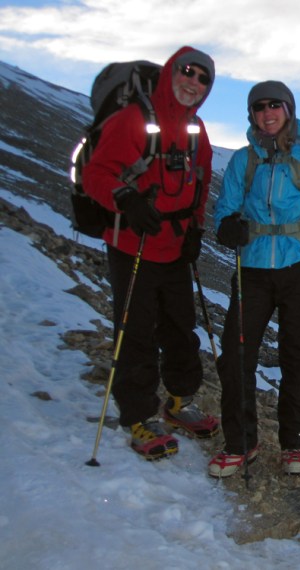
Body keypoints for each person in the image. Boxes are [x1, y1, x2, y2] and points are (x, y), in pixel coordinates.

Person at [82, 46, 219, 460]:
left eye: (203, 79)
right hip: (132, 244)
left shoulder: (197, 131)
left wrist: (196, 227)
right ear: (169, 73)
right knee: (136, 331)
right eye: (187, 72)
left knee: (180, 328)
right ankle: (139, 416)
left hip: (175, 246)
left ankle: (179, 403)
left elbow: (200, 181)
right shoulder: (134, 119)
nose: (193, 83)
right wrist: (126, 199)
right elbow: (95, 174)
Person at [210, 80, 300, 477]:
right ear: (251, 115)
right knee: (235, 356)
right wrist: (226, 226)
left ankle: (295, 444)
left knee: (297, 358)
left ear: (288, 110)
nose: (267, 113)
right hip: (252, 270)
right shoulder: (242, 161)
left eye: (275, 106)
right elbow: (225, 209)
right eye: (259, 107)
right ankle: (240, 442)